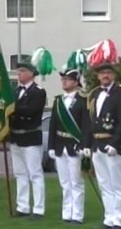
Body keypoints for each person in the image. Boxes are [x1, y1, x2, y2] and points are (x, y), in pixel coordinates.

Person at [82, 63, 121, 229]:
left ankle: (119, 219)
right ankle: (109, 217)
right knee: (104, 184)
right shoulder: (94, 93)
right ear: (97, 76)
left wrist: (115, 143)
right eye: (102, 73)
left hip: (112, 145)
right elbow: (90, 121)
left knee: (117, 183)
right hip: (97, 144)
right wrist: (87, 144)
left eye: (108, 73)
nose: (105, 75)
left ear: (113, 75)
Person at [47, 68, 90, 225]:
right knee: (64, 182)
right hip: (59, 145)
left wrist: (84, 144)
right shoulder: (58, 101)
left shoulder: (83, 100)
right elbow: (53, 125)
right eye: (63, 79)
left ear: (76, 81)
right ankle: (67, 212)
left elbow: (86, 125)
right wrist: (51, 146)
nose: (64, 82)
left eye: (68, 79)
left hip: (75, 146)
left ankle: (77, 214)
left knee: (76, 182)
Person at [10, 62, 47, 219]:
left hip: (30, 136)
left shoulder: (38, 92)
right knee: (20, 174)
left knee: (35, 174)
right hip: (16, 136)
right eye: (19, 71)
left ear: (31, 73)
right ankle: (23, 206)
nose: (19, 74)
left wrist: (12, 107)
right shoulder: (15, 91)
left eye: (23, 71)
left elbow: (31, 111)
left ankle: (38, 208)